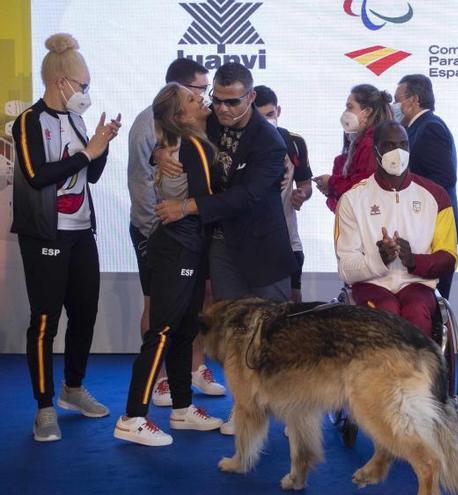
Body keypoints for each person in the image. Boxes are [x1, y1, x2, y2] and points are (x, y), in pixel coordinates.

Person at [11, 33, 120, 441]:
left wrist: (102, 146)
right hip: (44, 234)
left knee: (84, 312)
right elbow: (37, 175)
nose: (86, 94)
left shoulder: (76, 119)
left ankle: (73, 389)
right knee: (45, 321)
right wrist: (87, 153)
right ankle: (43, 407)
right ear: (62, 83)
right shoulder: (28, 121)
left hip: (81, 233)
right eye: (83, 86)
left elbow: (87, 175)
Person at [115, 83, 224, 446]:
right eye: (194, 99)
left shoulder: (185, 142)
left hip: (189, 245)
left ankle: (182, 408)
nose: (203, 100)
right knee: (162, 331)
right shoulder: (190, 145)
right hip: (177, 246)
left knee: (183, 329)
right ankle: (132, 417)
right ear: (180, 116)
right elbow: (211, 197)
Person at [156, 62, 294, 303]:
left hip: (262, 247)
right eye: (217, 99)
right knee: (226, 331)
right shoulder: (209, 118)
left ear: (251, 97)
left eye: (232, 102)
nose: (222, 108)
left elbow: (247, 196)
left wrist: (186, 206)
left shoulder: (269, 141)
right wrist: (160, 151)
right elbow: (171, 121)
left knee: (271, 332)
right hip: (221, 243)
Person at [334, 120, 458, 338]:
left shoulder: (436, 196)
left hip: (416, 285)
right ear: (376, 151)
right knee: (385, 313)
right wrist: (378, 260)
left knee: (416, 313)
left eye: (403, 145)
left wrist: (414, 261)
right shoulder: (352, 199)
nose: (398, 152)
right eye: (389, 146)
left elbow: (449, 258)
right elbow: (346, 269)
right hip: (370, 285)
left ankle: (418, 372)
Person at [394, 74, 458, 300]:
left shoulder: (430, 128)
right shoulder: (416, 127)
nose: (395, 106)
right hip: (421, 229)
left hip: (434, 230)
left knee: (433, 308)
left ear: (413, 100)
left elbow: (444, 178)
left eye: (398, 100)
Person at [254, 85, 313, 303]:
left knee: (293, 302)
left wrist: (302, 194)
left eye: (270, 114)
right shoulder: (242, 145)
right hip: (253, 242)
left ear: (278, 111)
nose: (267, 121)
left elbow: (306, 183)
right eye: (260, 117)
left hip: (289, 239)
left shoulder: (294, 142)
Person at [314, 84, 392, 212]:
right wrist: (331, 190)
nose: (345, 113)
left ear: (367, 112)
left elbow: (363, 189)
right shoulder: (358, 144)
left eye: (350, 107)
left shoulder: (370, 144)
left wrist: (332, 182)